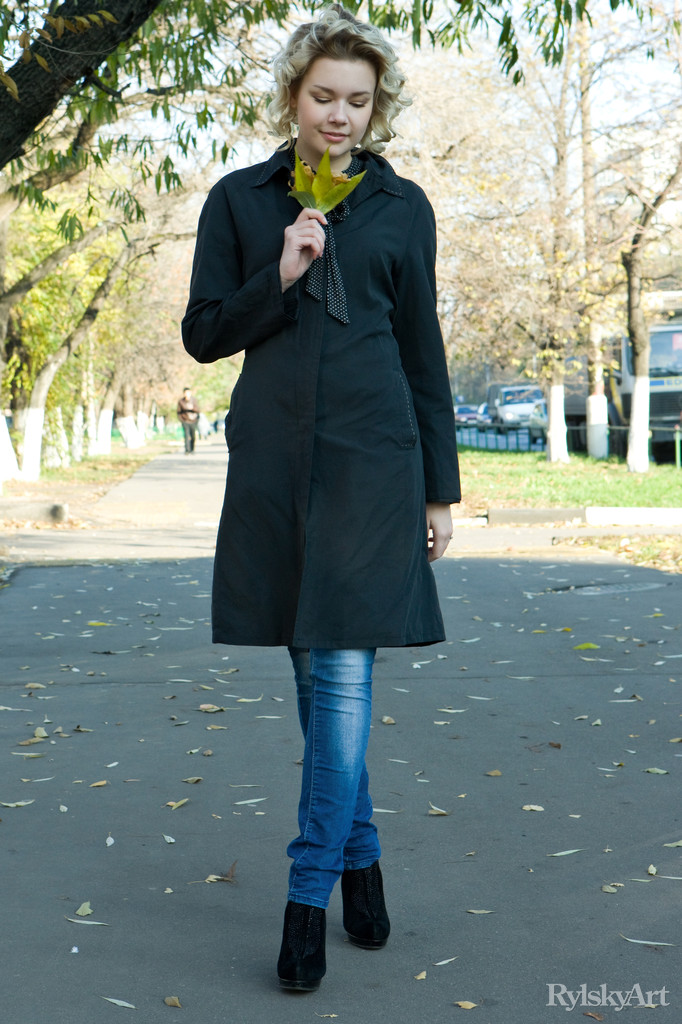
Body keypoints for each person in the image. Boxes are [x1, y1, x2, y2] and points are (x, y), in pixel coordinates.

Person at [182, 4, 460, 993]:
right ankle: (362, 858)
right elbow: (204, 333)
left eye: (358, 100)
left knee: (340, 675)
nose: (339, 115)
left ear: (376, 108)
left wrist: (440, 489)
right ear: (292, 99)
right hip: (273, 462)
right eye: (323, 97)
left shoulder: (402, 208)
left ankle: (307, 897)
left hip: (375, 464)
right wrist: (282, 272)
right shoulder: (240, 200)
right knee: (312, 674)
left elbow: (422, 350)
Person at [176, 386, 200, 453]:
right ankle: (187, 450)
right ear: (184, 393)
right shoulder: (181, 401)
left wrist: (192, 408)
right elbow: (178, 412)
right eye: (186, 393)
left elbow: (198, 410)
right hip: (185, 421)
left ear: (190, 393)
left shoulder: (194, 400)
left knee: (193, 436)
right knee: (186, 435)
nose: (187, 394)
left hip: (193, 420)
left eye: (188, 393)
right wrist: (182, 420)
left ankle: (192, 449)